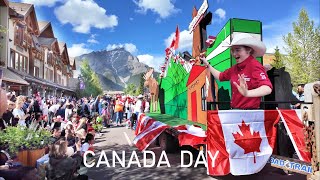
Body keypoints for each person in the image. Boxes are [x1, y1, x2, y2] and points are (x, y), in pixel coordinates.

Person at [201, 33, 272, 109]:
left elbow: (267, 88)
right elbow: (220, 76)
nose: (234, 54)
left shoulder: (255, 65)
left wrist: (247, 93)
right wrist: (207, 65)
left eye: (238, 50)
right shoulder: (234, 68)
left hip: (250, 114)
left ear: (248, 50)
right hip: (236, 112)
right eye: (232, 50)